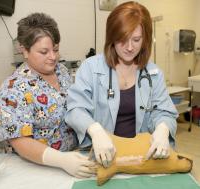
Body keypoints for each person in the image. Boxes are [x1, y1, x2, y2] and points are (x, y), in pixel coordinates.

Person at [65, 1, 178, 168]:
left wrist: (163, 128)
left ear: (145, 39)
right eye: (122, 39)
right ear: (112, 36)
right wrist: (95, 130)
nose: (130, 47)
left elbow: (164, 111)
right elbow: (75, 109)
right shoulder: (90, 68)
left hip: (142, 156)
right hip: (101, 155)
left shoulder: (153, 74)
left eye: (136, 39)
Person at [0, 13, 96, 178]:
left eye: (55, 49)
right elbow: (20, 140)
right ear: (24, 50)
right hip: (38, 168)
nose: (53, 57)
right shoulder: (12, 89)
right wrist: (62, 160)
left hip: (74, 159)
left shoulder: (61, 72)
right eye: (44, 51)